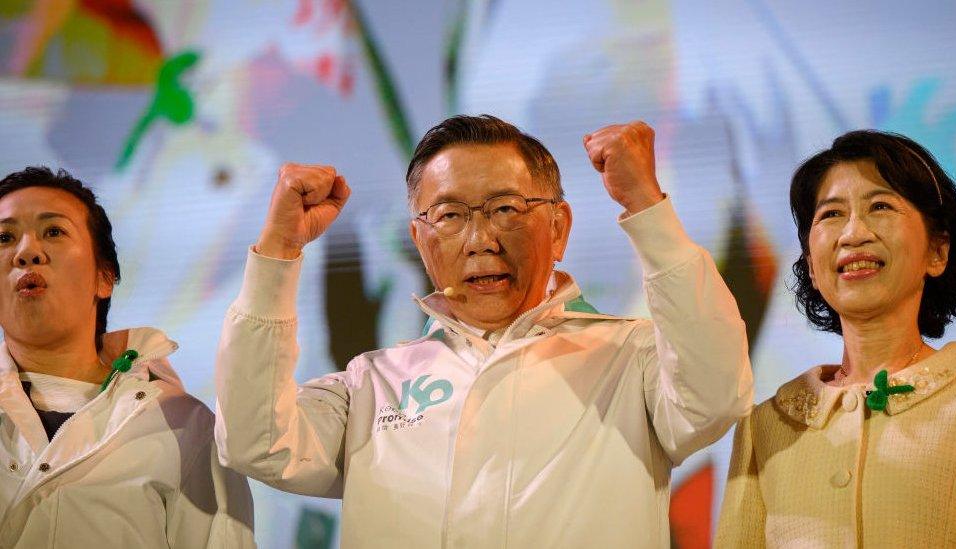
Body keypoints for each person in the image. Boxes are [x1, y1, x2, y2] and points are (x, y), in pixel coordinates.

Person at [216, 115, 753, 547]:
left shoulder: (632, 357)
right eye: (449, 216)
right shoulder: (370, 383)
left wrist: (645, 206)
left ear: (559, 228)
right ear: (420, 240)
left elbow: (715, 393)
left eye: (505, 209)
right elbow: (255, 442)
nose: (479, 240)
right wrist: (278, 252)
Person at [716, 131, 956, 547]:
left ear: (938, 251)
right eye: (831, 215)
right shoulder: (766, 425)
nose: (853, 234)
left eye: (880, 206)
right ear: (812, 268)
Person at [0, 167, 255, 548]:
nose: (26, 253)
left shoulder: (183, 426)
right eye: (4, 237)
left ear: (104, 277)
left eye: (53, 231)